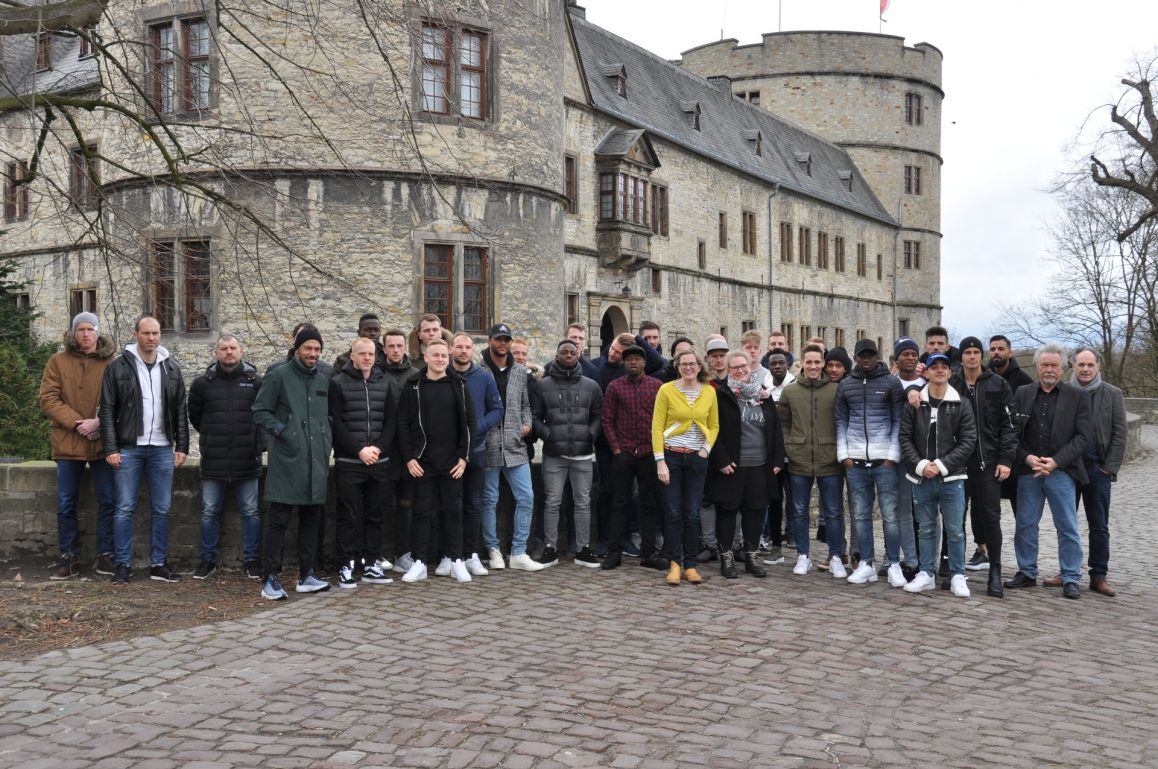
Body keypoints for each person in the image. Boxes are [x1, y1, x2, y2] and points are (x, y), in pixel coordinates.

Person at [99, 316, 188, 585]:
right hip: (129, 448)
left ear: (160, 335)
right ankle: (123, 564)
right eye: (146, 333)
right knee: (124, 507)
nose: (151, 338)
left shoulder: (171, 368)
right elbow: (107, 410)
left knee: (162, 508)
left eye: (156, 333)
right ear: (136, 334)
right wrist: (111, 448)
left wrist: (182, 445)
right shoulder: (118, 368)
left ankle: (158, 564)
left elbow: (180, 410)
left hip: (162, 448)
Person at [251, 326, 334, 599]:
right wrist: (283, 431)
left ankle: (307, 574)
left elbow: (329, 416)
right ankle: (270, 578)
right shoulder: (278, 375)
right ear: (297, 348)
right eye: (308, 348)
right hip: (287, 459)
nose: (313, 354)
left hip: (316, 460)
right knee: (278, 519)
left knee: (311, 518)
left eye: (317, 349)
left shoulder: (324, 380)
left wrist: (325, 438)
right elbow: (259, 411)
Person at [1005, 343, 1092, 600]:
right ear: (1038, 367)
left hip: (1061, 471)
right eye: (1045, 365)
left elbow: (1082, 437)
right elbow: (1011, 432)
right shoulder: (1022, 393)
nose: (1049, 370)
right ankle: (1027, 571)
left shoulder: (1078, 397)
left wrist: (1056, 462)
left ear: (1064, 368)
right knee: (1025, 524)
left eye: (1054, 365)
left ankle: (1070, 576)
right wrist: (1027, 458)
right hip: (1028, 471)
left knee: (1067, 526)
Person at [1041, 348, 1126, 597]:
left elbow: (1119, 433)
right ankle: (1068, 572)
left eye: (1091, 364)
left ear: (1098, 366)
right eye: (1081, 365)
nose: (1086, 369)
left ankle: (1098, 575)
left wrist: (1108, 467)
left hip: (1097, 468)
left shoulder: (1112, 394)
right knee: (1066, 523)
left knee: (1099, 524)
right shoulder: (1063, 392)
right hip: (1068, 467)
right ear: (1073, 366)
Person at [39, 312, 116, 579]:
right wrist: (77, 423)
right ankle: (68, 557)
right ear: (73, 333)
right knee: (66, 503)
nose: (85, 334)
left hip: (102, 443)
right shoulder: (57, 362)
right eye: (80, 329)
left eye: (90, 329)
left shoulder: (111, 363)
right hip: (68, 443)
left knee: (108, 501)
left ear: (97, 332)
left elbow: (120, 399)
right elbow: (48, 398)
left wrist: (98, 423)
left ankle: (105, 555)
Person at [397, 338, 477, 583]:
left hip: (453, 462)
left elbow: (470, 425)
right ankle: (419, 562)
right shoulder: (413, 386)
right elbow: (402, 424)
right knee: (421, 512)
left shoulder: (460, 386)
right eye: (436, 355)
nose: (440, 359)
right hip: (423, 461)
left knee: (453, 511)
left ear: (449, 356)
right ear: (427, 356)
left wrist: (463, 458)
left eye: (444, 355)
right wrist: (410, 457)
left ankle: (456, 561)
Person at [899, 353, 977, 597]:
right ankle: (926, 573)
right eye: (935, 367)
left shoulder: (961, 403)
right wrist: (922, 465)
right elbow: (905, 438)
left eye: (944, 367)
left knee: (955, 530)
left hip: (951, 478)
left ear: (950, 373)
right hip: (922, 478)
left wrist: (942, 464)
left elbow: (968, 441)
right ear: (927, 372)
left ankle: (957, 575)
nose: (940, 371)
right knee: (926, 528)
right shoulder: (914, 403)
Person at [187, 333, 263, 580]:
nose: (229, 352)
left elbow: (264, 416)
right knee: (209, 511)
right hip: (214, 459)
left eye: (233, 348)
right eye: (223, 348)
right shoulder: (202, 384)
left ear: (241, 351)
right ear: (216, 353)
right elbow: (196, 417)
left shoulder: (255, 383)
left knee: (250, 512)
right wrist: (211, 437)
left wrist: (255, 442)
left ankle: (252, 560)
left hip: (246, 458)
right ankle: (208, 560)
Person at [949, 336, 1017, 597]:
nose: (972, 356)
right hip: (956, 462)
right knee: (955, 518)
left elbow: (1009, 426)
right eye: (968, 352)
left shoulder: (998, 384)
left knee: (991, 518)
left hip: (987, 462)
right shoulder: (951, 384)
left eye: (977, 351)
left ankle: (995, 573)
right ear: (962, 356)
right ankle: (954, 570)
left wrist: (1005, 459)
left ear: (983, 355)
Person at [836, 339, 906, 586]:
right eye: (862, 356)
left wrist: (892, 456)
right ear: (856, 358)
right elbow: (841, 421)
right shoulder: (846, 385)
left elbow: (898, 421)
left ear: (877, 356)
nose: (867, 359)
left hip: (883, 460)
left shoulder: (891, 383)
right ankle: (866, 563)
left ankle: (894, 563)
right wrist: (843, 455)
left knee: (890, 515)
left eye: (871, 355)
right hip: (855, 461)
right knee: (861, 516)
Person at [328, 336, 397, 588]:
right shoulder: (337, 383)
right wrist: (359, 450)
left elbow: (391, 422)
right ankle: (346, 565)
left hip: (379, 462)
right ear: (352, 356)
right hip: (350, 462)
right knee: (348, 516)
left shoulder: (386, 383)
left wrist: (377, 448)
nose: (367, 358)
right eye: (362, 354)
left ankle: (371, 564)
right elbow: (336, 423)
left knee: (376, 516)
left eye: (371, 354)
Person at [709, 350, 782, 579]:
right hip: (732, 464)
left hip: (760, 464)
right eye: (735, 368)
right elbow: (713, 430)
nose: (740, 370)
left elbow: (775, 429)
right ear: (728, 370)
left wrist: (778, 458)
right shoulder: (721, 395)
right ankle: (727, 559)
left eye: (743, 366)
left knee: (754, 511)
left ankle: (751, 558)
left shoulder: (764, 395)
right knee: (727, 512)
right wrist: (720, 459)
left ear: (751, 366)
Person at [532, 339, 603, 567]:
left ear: (578, 355)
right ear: (557, 355)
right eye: (565, 352)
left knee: (583, 501)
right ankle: (550, 548)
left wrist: (590, 436)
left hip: (582, 454)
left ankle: (583, 549)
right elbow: (534, 417)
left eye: (573, 352)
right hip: (555, 454)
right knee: (552, 501)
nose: (569, 355)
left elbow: (599, 416)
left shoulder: (591, 386)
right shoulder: (543, 385)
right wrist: (549, 435)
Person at [480, 324, 544, 572]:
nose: (503, 344)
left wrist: (527, 425)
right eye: (498, 339)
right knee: (489, 499)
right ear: (490, 341)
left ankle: (518, 551)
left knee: (526, 497)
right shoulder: (480, 370)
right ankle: (493, 549)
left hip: (515, 445)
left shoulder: (519, 371)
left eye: (506, 340)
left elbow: (526, 404)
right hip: (489, 445)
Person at [778, 344, 846, 578]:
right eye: (809, 362)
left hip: (830, 458)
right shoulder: (790, 391)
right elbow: (783, 422)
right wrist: (790, 445)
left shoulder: (836, 390)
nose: (814, 366)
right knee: (798, 510)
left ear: (823, 364)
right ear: (802, 363)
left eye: (818, 362)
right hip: (799, 457)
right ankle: (803, 555)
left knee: (834, 511)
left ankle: (836, 556)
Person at [653, 348, 718, 586]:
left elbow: (714, 425)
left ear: (699, 366)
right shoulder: (666, 390)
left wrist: (705, 450)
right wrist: (660, 460)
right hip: (671, 456)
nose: (688, 367)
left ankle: (690, 565)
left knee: (692, 513)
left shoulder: (708, 392)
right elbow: (657, 427)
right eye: (684, 364)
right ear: (677, 367)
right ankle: (674, 563)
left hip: (696, 458)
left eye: (692, 364)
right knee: (672, 513)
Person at [600, 344, 665, 571]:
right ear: (624, 363)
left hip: (649, 452)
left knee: (648, 503)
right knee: (620, 502)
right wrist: (616, 448)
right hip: (624, 453)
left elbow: (663, 419)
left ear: (644, 362)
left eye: (637, 359)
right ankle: (614, 552)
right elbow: (607, 419)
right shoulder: (615, 387)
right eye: (629, 360)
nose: (633, 363)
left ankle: (648, 552)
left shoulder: (657, 387)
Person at [450, 332, 503, 577]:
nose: (463, 351)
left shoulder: (483, 377)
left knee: (473, 504)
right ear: (452, 349)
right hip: (448, 452)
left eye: (467, 347)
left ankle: (471, 555)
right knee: (450, 505)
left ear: (473, 350)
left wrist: (480, 425)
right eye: (458, 347)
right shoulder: (444, 376)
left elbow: (497, 408)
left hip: (477, 450)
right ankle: (449, 556)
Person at [381, 328, 419, 572]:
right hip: (383, 450)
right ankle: (381, 553)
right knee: (382, 504)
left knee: (407, 504)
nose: (395, 350)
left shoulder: (416, 375)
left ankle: (403, 553)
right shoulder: (375, 374)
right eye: (391, 346)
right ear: (384, 349)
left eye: (399, 346)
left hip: (409, 451)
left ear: (405, 347)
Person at [989, 334, 1033, 520]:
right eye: (993, 349)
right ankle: (984, 549)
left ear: (1010, 352)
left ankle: (1024, 550)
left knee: (1022, 513)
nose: (997, 352)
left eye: (1001, 349)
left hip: (1017, 456)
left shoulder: (1025, 382)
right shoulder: (984, 377)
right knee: (987, 512)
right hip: (990, 452)